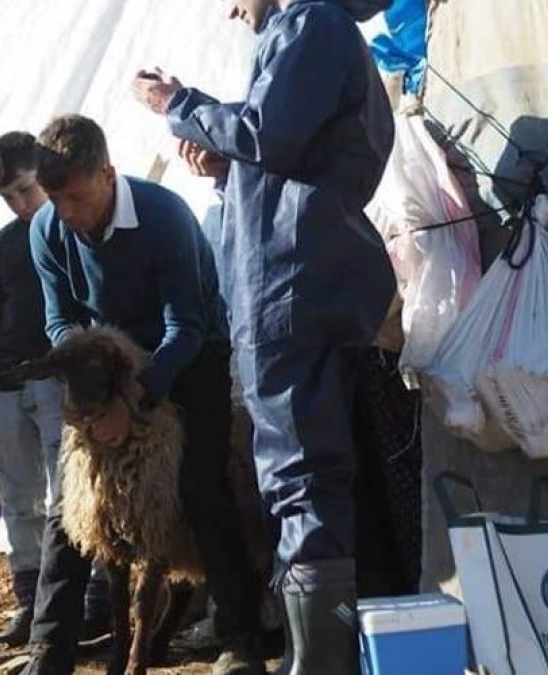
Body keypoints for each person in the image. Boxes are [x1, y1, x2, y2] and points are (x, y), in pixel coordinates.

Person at [131, 0, 396, 671]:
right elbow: (295, 158)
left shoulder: (310, 24)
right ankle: (332, 653)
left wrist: (178, 102)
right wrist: (228, 171)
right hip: (307, 278)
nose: (230, 6)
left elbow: (267, 135)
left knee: (299, 475)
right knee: (318, 475)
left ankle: (320, 661)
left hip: (289, 282)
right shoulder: (318, 31)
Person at [21, 115, 266, 675]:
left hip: (188, 356)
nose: (66, 213)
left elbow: (187, 325)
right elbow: (60, 321)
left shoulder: (163, 218)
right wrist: (93, 392)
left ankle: (241, 638)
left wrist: (134, 402)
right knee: (74, 505)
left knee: (202, 486)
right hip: (102, 362)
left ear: (108, 175)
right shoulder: (48, 229)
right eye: (55, 198)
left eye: (77, 197)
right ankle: (48, 650)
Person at [0, 132, 110, 648]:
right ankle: (32, 603)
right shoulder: (6, 242)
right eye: (8, 197)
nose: (19, 204)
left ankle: (86, 601)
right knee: (18, 496)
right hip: (8, 382)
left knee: (69, 495)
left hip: (56, 381)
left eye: (26, 190)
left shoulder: (69, 233)